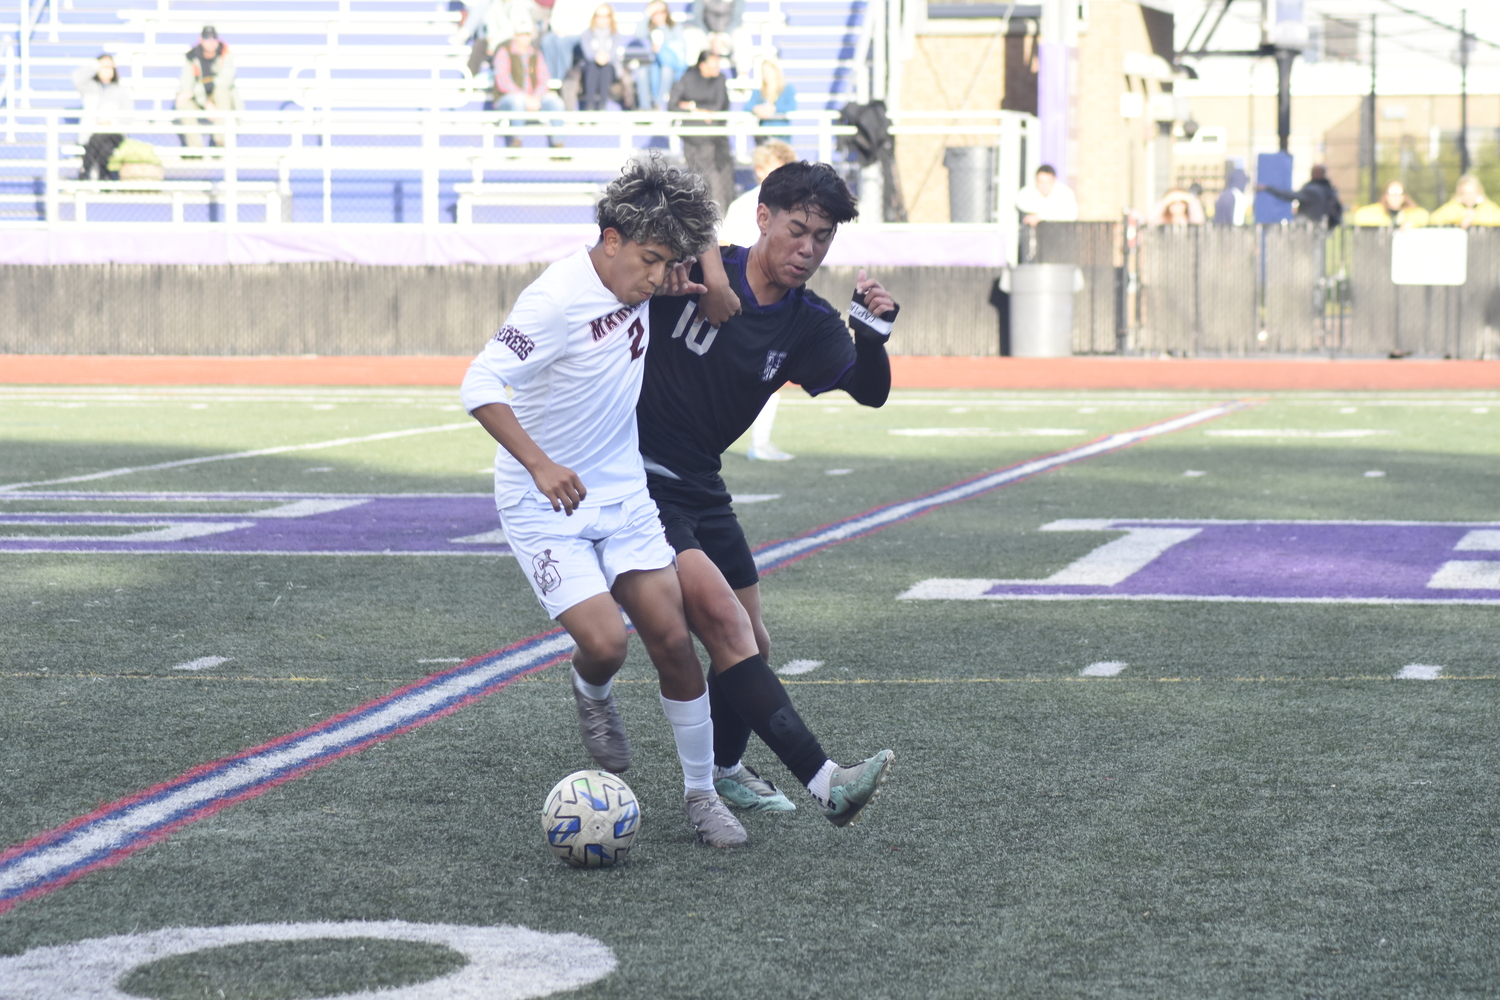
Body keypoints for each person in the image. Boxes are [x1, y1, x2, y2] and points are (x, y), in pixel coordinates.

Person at [460, 156, 746, 848]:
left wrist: (711, 281)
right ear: (610, 238)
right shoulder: (555, 299)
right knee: (605, 643)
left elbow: (693, 230)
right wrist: (541, 464)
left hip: (623, 495)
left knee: (674, 641)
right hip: (544, 499)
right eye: (649, 260)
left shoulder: (648, 273)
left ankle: (703, 797)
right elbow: (478, 384)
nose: (655, 278)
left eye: (668, 263)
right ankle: (591, 691)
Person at [637, 161, 898, 825]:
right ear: (763, 218)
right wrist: (715, 275)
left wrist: (872, 340)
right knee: (724, 623)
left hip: (701, 482)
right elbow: (660, 206)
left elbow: (868, 391)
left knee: (752, 636)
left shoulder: (806, 320)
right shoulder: (702, 264)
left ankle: (725, 772)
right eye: (797, 229)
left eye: (822, 239)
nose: (808, 248)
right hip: (636, 477)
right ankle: (825, 781)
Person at [720, 140, 799, 462]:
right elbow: (725, 245)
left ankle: (760, 441)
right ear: (759, 170)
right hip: (747, 297)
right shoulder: (746, 205)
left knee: (770, 369)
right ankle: (755, 441)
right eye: (773, 168)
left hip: (773, 296)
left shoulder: (793, 205)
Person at [670, 50, 733, 213]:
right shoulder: (688, 78)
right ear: (702, 65)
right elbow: (673, 105)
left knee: (715, 179)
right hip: (691, 139)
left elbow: (718, 107)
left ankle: (719, 214)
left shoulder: (720, 79)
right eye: (713, 65)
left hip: (713, 141)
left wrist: (690, 106)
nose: (717, 68)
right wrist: (697, 110)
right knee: (696, 178)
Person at [493, 22, 566, 147]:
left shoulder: (536, 54)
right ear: (515, 36)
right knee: (517, 101)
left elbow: (544, 79)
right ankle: (517, 140)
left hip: (534, 97)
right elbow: (504, 82)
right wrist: (526, 98)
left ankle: (558, 143)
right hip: (507, 99)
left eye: (527, 34)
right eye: (521, 34)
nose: (524, 37)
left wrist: (536, 97)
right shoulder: (504, 52)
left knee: (556, 102)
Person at [174, 26, 241, 148]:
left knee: (222, 92)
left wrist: (197, 91)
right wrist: (205, 103)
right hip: (201, 101)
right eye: (206, 37)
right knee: (183, 103)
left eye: (213, 37)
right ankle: (196, 149)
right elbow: (185, 85)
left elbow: (224, 81)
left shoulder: (227, 55)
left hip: (221, 102)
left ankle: (219, 142)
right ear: (201, 39)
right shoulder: (192, 57)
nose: (210, 41)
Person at [73, 54, 131, 181]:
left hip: (113, 134)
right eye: (104, 67)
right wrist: (97, 64)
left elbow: (128, 114)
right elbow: (77, 78)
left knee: (100, 138)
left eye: (110, 67)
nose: (107, 70)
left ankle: (84, 173)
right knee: (103, 146)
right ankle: (105, 178)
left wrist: (111, 123)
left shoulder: (120, 90)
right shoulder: (89, 87)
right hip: (91, 136)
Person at [630, 0, 686, 111]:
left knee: (666, 70)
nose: (659, 15)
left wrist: (663, 43)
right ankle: (644, 107)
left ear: (667, 13)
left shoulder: (674, 27)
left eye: (662, 11)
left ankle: (659, 104)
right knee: (641, 72)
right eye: (655, 12)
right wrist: (647, 14)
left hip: (672, 67)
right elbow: (638, 34)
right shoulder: (650, 28)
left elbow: (680, 49)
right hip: (654, 66)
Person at [1257, 164, 1343, 226]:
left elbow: (1290, 196)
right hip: (1321, 226)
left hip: (1311, 227)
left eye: (1313, 171)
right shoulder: (1327, 189)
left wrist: (1267, 188)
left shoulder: (1314, 190)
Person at [578, 4, 624, 111]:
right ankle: (590, 105)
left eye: (606, 16)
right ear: (594, 18)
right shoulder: (587, 34)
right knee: (593, 67)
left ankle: (603, 105)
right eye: (599, 16)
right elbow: (588, 54)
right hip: (592, 66)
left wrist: (605, 57)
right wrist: (597, 57)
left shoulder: (616, 35)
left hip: (610, 67)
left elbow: (614, 54)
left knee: (606, 68)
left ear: (611, 18)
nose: (603, 19)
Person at [749, 58, 796, 142]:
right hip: (764, 135)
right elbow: (748, 106)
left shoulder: (787, 89)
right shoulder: (759, 91)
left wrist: (774, 109)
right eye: (764, 72)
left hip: (781, 135)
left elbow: (791, 107)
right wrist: (757, 109)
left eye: (769, 71)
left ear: (776, 72)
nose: (766, 75)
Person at [1429, 174, 1500, 228]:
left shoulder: (1487, 206)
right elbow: (1434, 218)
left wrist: (1473, 218)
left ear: (1479, 192)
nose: (1469, 197)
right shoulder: (1454, 206)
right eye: (1465, 193)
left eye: (1472, 193)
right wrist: (1463, 215)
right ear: (1459, 194)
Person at [1352, 180, 1428, 229]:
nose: (1395, 196)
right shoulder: (1378, 210)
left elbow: (1425, 216)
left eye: (1399, 193)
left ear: (1404, 196)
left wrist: (1412, 223)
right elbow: (1359, 215)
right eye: (1391, 193)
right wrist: (1387, 224)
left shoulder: (1410, 212)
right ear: (1385, 195)